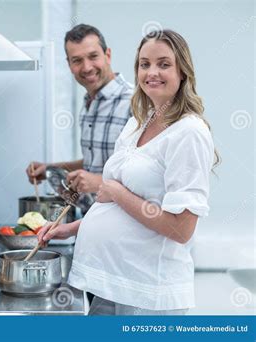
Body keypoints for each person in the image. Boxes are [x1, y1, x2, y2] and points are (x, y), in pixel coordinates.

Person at [38, 29, 219, 315]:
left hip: (147, 294)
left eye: (163, 64)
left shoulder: (189, 132)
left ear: (182, 71)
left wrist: (117, 192)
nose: (152, 72)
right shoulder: (139, 123)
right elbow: (118, 209)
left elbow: (181, 229)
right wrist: (70, 229)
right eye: (144, 64)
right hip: (111, 283)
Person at [26, 24, 133, 212]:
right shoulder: (88, 104)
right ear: (69, 65)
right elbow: (96, 160)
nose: (87, 67)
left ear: (107, 55)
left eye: (93, 56)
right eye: (77, 60)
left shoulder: (136, 103)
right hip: (91, 221)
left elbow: (150, 175)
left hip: (124, 227)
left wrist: (98, 182)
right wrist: (51, 168)